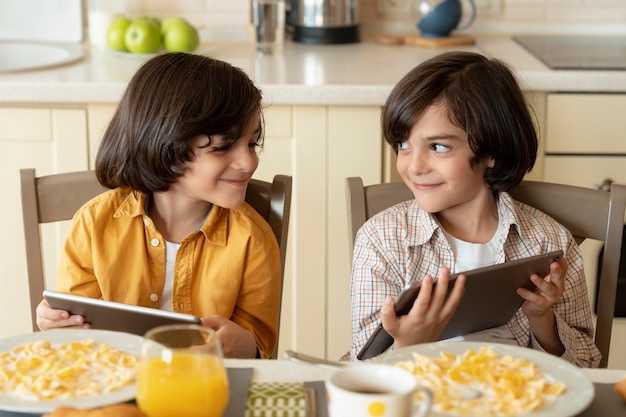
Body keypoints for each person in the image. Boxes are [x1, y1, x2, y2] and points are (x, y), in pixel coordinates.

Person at [349, 51, 601, 367]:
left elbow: (587, 369)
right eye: (403, 145)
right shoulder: (382, 240)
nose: (413, 166)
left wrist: (542, 318)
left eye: (438, 147)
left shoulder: (550, 242)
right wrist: (408, 344)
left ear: (491, 151)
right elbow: (361, 371)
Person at [36, 52, 281, 359]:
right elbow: (79, 340)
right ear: (166, 144)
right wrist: (59, 324)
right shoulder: (92, 224)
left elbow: (260, 349)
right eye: (223, 147)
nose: (248, 162)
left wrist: (246, 346)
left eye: (252, 144)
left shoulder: (253, 240)